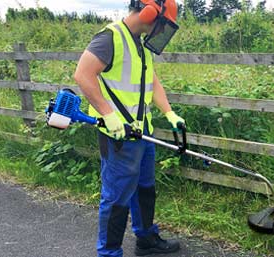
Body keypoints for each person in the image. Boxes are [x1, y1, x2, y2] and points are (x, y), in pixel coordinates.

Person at [74, 0, 184, 256]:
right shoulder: (111, 37)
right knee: (116, 198)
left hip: (143, 132)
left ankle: (146, 239)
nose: (161, 30)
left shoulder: (142, 45)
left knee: (145, 189)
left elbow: (151, 81)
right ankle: (109, 252)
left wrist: (169, 112)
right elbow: (83, 75)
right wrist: (108, 114)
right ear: (150, 13)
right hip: (118, 136)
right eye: (163, 23)